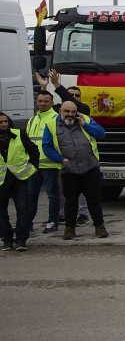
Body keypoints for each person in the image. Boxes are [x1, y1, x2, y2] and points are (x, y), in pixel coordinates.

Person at [41, 102, 108, 240]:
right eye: (67, 111)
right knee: (70, 202)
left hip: (90, 168)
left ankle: (99, 227)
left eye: (73, 112)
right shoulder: (51, 125)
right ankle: (70, 229)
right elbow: (46, 146)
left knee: (94, 200)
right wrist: (60, 159)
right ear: (60, 111)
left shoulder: (86, 119)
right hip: (69, 171)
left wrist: (85, 125)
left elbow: (101, 134)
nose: (70, 114)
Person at [0, 112, 39, 251]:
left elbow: (34, 151)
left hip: (19, 178)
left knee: (23, 210)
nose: (4, 124)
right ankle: (7, 239)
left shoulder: (19, 134)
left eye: (5, 121)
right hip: (1, 181)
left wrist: (32, 167)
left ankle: (21, 240)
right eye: (1, 122)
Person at [25, 89, 61, 234]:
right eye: (40, 101)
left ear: (52, 102)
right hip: (33, 165)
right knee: (30, 195)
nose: (43, 103)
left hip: (50, 164)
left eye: (46, 101)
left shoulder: (56, 118)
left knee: (52, 195)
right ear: (36, 102)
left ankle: (52, 222)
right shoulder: (33, 119)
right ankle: (27, 223)